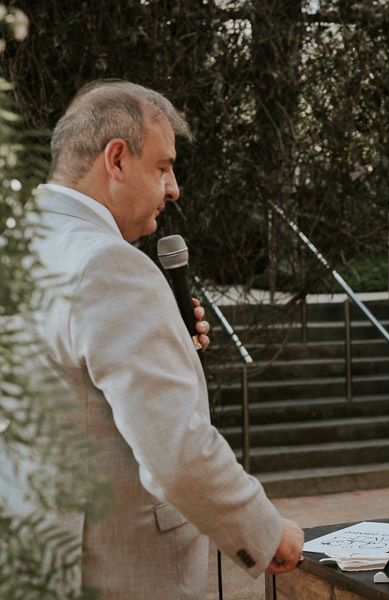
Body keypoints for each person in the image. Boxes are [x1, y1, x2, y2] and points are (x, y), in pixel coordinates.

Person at [28, 80, 304, 599]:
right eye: (162, 167)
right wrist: (266, 534)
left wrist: (166, 338)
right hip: (115, 572)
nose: (174, 187)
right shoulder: (109, 265)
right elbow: (174, 450)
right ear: (116, 160)